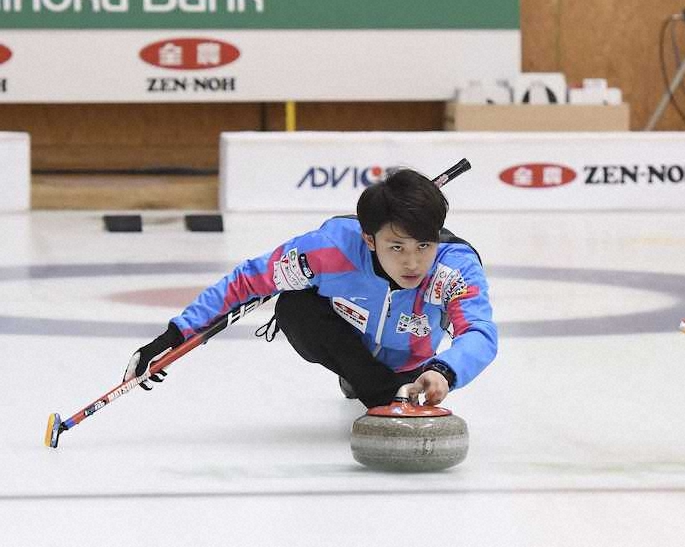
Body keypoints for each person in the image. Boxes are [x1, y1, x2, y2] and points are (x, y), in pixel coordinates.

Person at [124, 168, 497, 410]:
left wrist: (444, 371)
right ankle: (374, 387)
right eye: (396, 247)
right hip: (349, 347)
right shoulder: (328, 250)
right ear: (369, 239)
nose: (413, 263)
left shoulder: (454, 268)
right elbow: (248, 281)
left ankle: (385, 384)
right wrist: (175, 335)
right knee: (294, 306)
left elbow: (479, 332)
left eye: (424, 246)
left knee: (402, 368)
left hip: (413, 363)